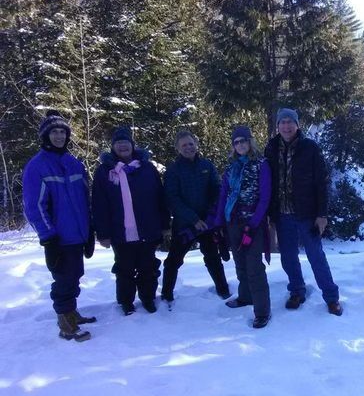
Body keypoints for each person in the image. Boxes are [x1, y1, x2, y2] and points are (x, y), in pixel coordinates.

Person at [22, 110, 96, 342]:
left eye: (62, 132)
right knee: (64, 278)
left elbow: (85, 199)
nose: (59, 136)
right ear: (46, 136)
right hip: (59, 237)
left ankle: (71, 313)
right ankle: (66, 324)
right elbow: (34, 206)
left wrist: (89, 230)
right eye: (54, 132)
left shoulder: (73, 163)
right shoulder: (37, 166)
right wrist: (48, 237)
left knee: (75, 275)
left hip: (78, 234)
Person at [264, 108, 343, 316]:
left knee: (316, 255)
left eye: (290, 122)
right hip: (282, 214)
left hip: (307, 213)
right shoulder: (271, 148)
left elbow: (321, 183)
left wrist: (322, 214)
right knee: (288, 257)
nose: (286, 126)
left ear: (297, 125)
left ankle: (331, 297)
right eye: (283, 122)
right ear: (277, 126)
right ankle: (297, 291)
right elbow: (267, 183)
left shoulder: (310, 148)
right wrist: (269, 214)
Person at [92, 126, 170, 315]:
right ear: (113, 147)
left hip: (148, 229)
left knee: (148, 267)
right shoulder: (104, 171)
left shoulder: (146, 168)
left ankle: (148, 298)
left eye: (126, 142)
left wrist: (165, 225)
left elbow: (160, 198)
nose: (123, 146)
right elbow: (99, 204)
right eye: (118, 143)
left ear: (132, 145)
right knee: (124, 269)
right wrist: (102, 233)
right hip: (120, 232)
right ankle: (126, 302)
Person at [161, 130, 231, 303]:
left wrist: (209, 217)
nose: (188, 147)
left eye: (191, 144)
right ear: (178, 148)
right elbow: (172, 198)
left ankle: (223, 290)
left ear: (196, 145)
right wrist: (193, 219)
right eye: (184, 145)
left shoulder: (206, 165)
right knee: (174, 260)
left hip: (207, 223)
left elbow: (217, 190)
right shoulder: (173, 170)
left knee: (213, 258)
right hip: (185, 224)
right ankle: (166, 294)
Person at [215, 125, 272, 329]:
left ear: (250, 142)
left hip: (252, 222)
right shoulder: (231, 168)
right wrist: (219, 222)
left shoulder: (261, 164)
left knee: (254, 266)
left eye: (243, 141)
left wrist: (255, 223)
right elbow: (224, 195)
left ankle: (262, 310)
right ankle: (245, 296)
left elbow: (265, 197)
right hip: (233, 221)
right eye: (236, 142)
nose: (240, 145)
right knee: (240, 263)